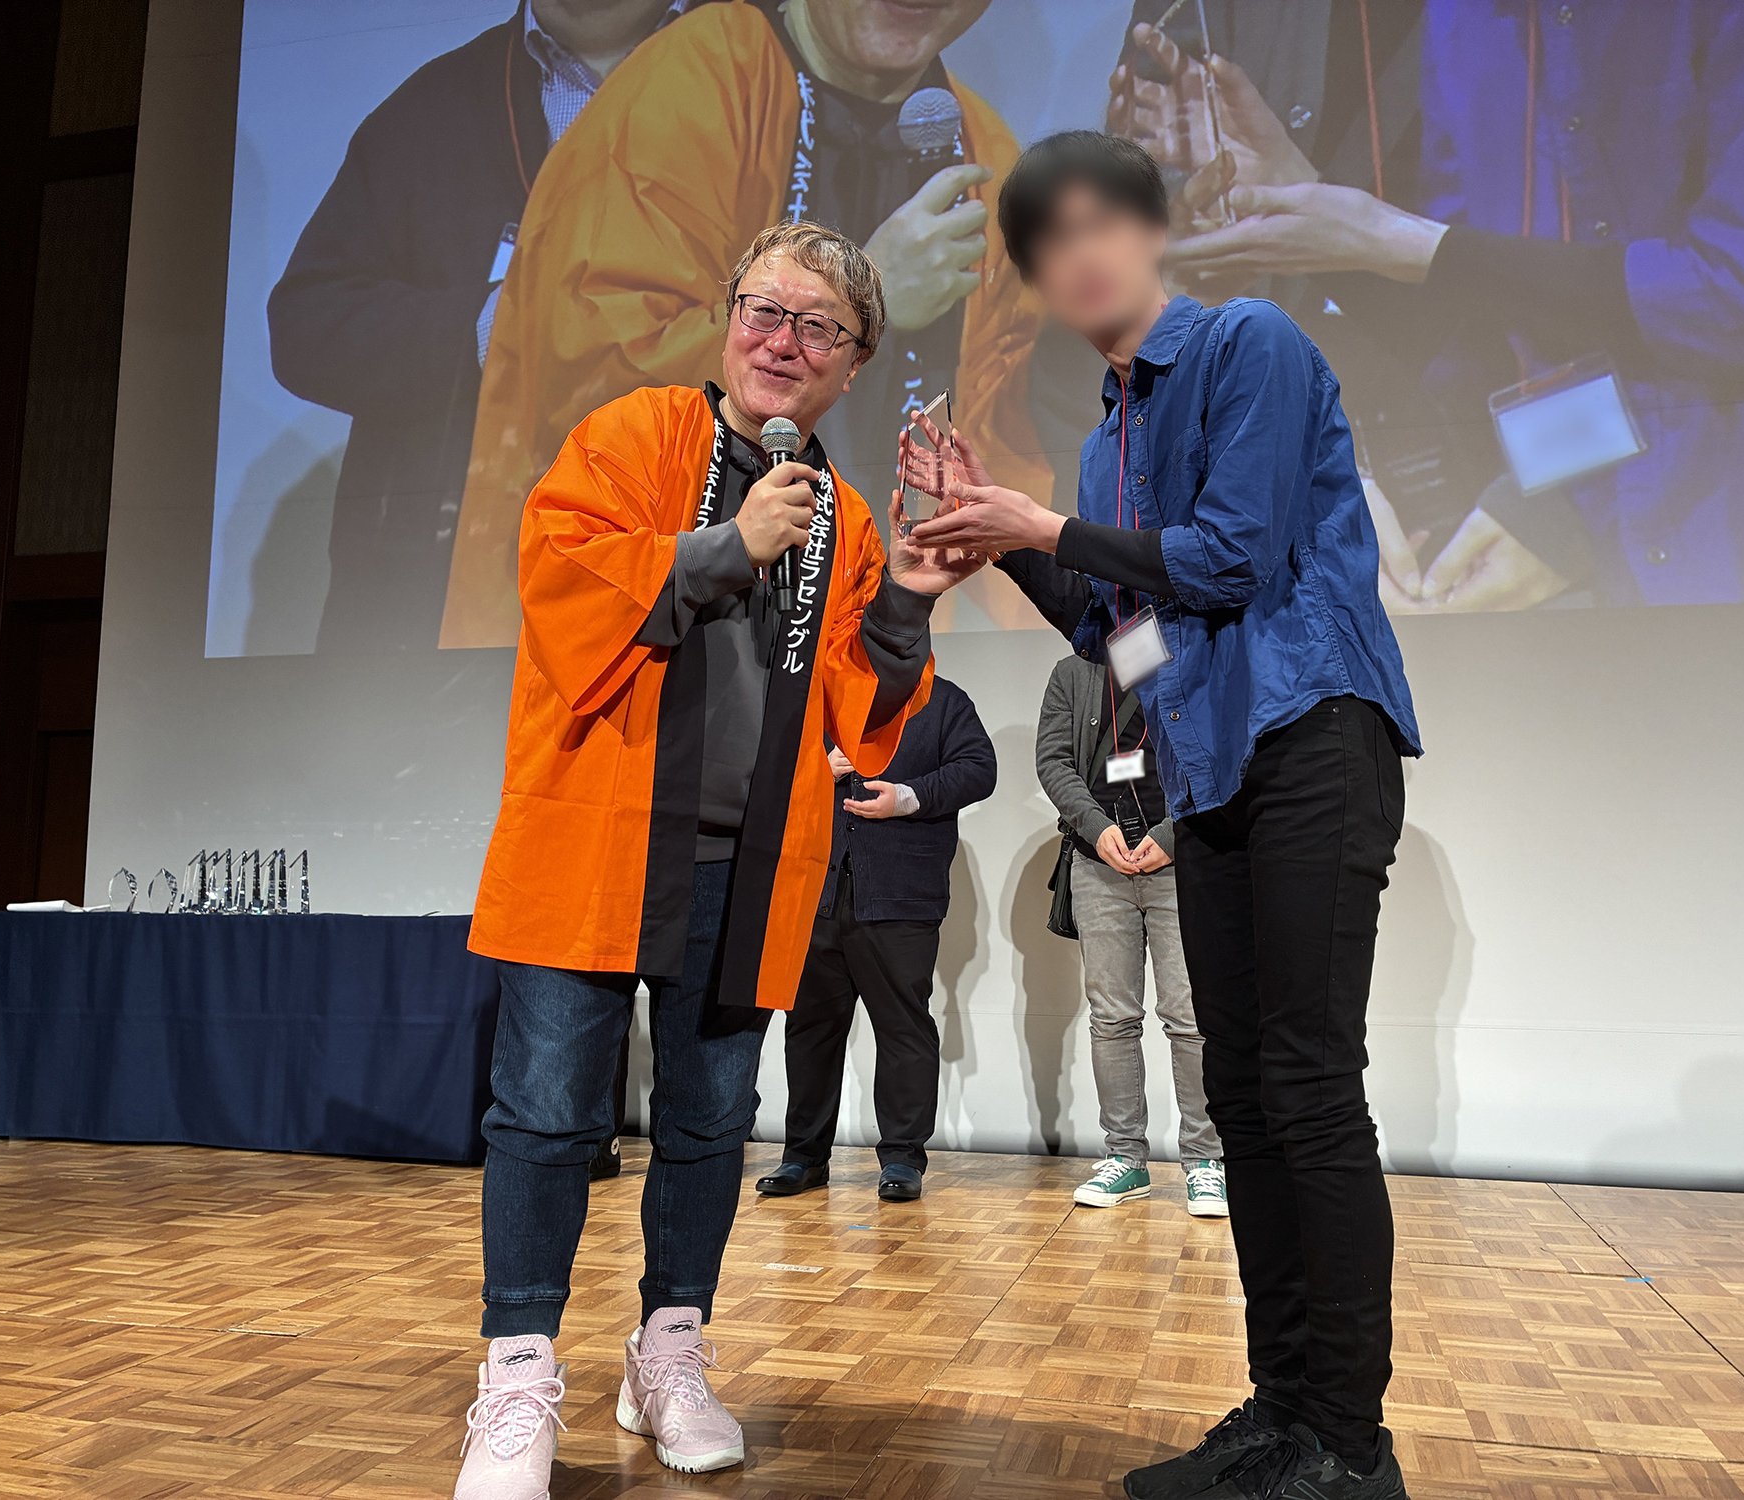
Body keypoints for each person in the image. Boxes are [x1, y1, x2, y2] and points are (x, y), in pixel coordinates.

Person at [907, 133, 1421, 1498]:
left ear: (1151, 231)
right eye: (1044, 243)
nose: (1074, 257)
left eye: (1097, 223)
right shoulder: (1107, 441)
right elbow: (1125, 640)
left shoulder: (1249, 341)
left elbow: (1233, 559)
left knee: (1306, 1084)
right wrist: (998, 537)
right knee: (1241, 1095)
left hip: (1312, 734)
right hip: (1215, 772)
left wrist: (1044, 527)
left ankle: (1348, 1447)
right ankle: (1283, 1410)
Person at [452, 221, 984, 1496]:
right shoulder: (634, 434)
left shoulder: (841, 514)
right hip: (595, 841)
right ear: (728, 317)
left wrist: (908, 595)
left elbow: (864, 709)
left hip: (745, 867)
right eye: (764, 311)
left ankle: (668, 1350)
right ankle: (517, 1375)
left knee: (706, 1123)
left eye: (818, 327)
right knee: (544, 1114)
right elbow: (558, 579)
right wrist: (723, 547)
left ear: (853, 363)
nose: (782, 342)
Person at [1150, 0, 1744, 609]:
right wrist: (1311, 207)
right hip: (1584, 535)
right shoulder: (1465, 18)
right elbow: (1480, 318)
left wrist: (1397, 242)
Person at [440, 0, 1053, 647]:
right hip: (652, 624)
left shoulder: (984, 157)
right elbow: (587, 369)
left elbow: (1003, 447)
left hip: (859, 628)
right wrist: (867, 299)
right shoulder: (694, 78)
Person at [267, 0, 705, 653]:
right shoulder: (427, 111)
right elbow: (307, 326)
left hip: (695, 588)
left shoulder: (773, 78)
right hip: (444, 617)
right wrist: (495, 329)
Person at [755, 676, 995, 1204]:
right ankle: (803, 1156)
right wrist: (816, 767)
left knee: (903, 1027)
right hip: (816, 891)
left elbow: (980, 769)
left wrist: (909, 797)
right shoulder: (818, 700)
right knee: (810, 1028)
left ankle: (903, 1157)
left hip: (900, 895)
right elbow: (762, 765)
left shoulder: (942, 700)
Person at [1037, 653, 1225, 1217]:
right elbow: (1053, 761)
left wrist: (1172, 834)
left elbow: (1219, 755)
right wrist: (1097, 830)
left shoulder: (1195, 657)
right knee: (1112, 1017)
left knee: (1190, 1016)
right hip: (1099, 864)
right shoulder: (1073, 673)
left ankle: (1206, 1162)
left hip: (1180, 861)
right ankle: (1125, 1157)